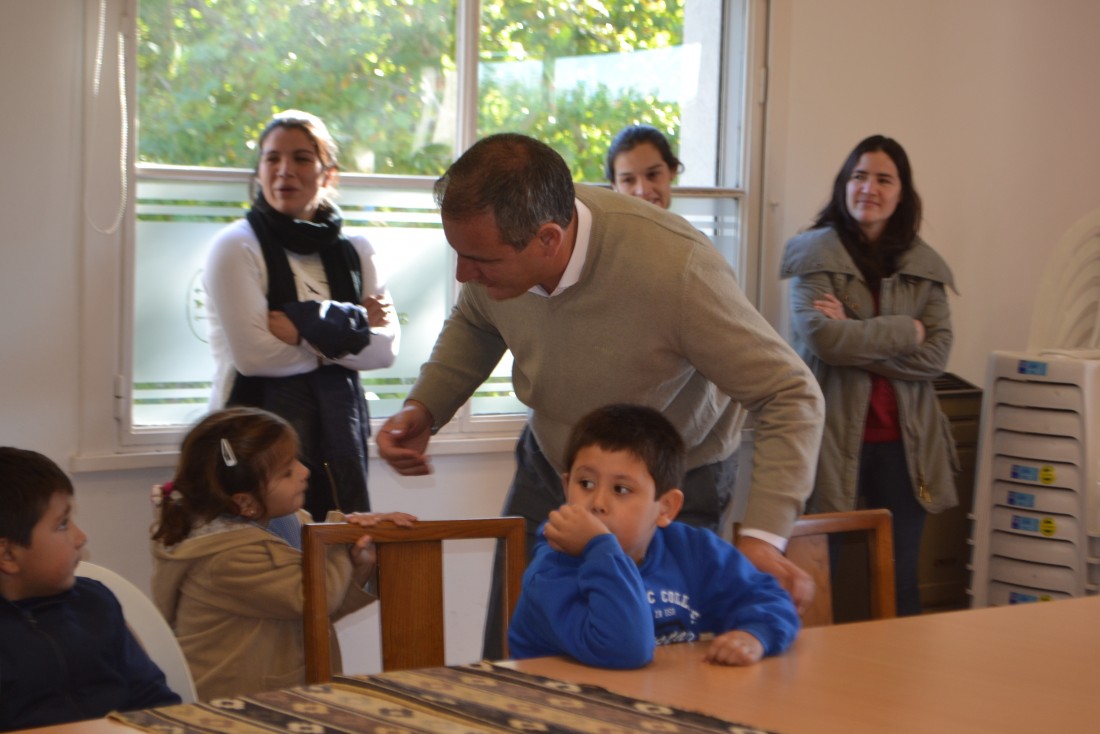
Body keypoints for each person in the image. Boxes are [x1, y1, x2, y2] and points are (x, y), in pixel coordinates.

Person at [376, 133, 824, 658]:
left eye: (479, 261)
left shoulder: (676, 271)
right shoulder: (495, 248)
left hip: (670, 483)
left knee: (661, 656)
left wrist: (764, 539)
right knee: (521, 647)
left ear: (547, 239)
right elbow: (477, 321)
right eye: (459, 255)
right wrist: (426, 405)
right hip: (556, 466)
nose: (462, 274)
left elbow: (790, 393)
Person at [779, 134, 958, 616]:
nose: (869, 188)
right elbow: (822, 340)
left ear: (902, 193)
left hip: (907, 447)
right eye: (859, 176)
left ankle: (900, 688)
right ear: (843, 184)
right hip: (831, 444)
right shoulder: (813, 255)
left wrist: (856, 334)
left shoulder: (925, 267)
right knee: (822, 579)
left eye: (883, 178)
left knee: (898, 585)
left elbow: (936, 355)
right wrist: (907, 330)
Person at [203, 109, 399, 520]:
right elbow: (254, 357)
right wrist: (346, 327)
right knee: (266, 565)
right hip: (251, 446)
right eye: (272, 158)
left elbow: (384, 351)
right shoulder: (236, 246)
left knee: (337, 565)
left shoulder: (358, 251)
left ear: (328, 174)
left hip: (339, 444)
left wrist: (302, 327)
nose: (284, 170)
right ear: (258, 172)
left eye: (301, 158)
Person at [150, 407, 416, 699]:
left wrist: (358, 562)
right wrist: (340, 536)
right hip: (237, 702)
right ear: (245, 502)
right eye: (288, 471)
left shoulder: (282, 523)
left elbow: (321, 611)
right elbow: (316, 598)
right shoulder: (227, 557)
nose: (305, 471)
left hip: (280, 692)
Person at [508, 404, 801, 668]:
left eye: (621, 489)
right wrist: (601, 549)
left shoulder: (693, 551)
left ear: (666, 508)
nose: (597, 502)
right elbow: (624, 650)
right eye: (585, 483)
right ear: (566, 486)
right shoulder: (553, 570)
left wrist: (754, 634)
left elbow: (770, 598)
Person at [0, 447, 180, 731]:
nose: (81, 537)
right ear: (8, 555)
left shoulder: (96, 602)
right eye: (62, 524)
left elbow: (153, 698)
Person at [605, 124, 683, 210]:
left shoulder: (683, 223)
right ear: (614, 185)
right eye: (628, 180)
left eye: (652, 174)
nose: (642, 190)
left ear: (672, 170)